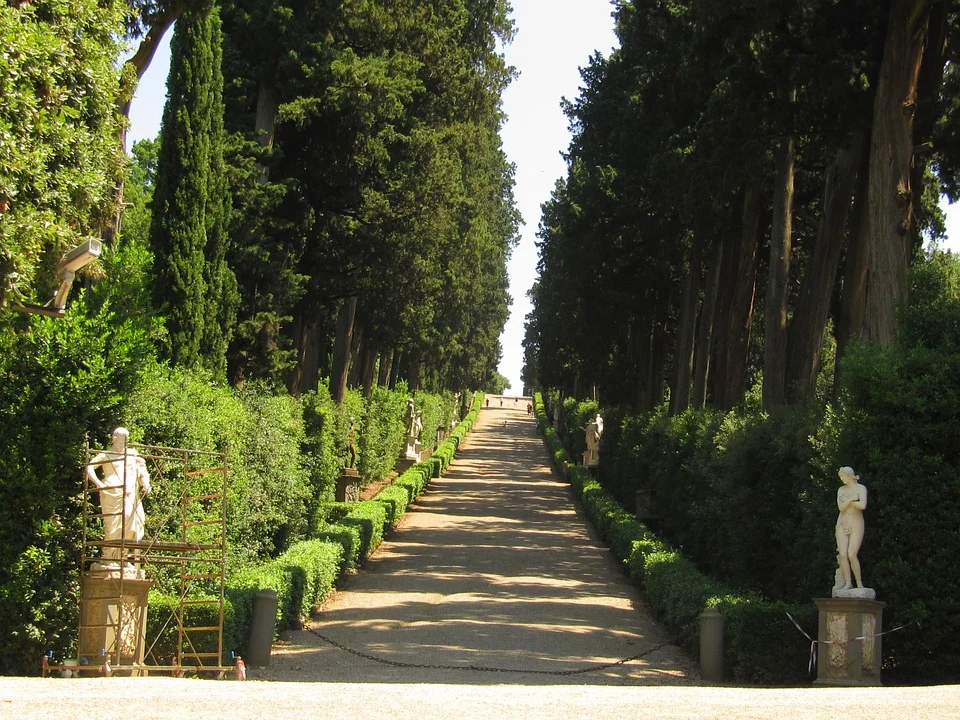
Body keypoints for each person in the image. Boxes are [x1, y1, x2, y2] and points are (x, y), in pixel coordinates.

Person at [85, 428, 151, 568]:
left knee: (130, 524)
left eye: (126, 439)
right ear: (114, 438)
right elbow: (89, 467)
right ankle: (108, 558)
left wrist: (145, 483)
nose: (123, 442)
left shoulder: (133, 454)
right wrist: (99, 485)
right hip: (112, 493)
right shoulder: (106, 454)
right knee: (113, 526)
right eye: (121, 438)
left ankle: (122, 556)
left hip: (130, 494)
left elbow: (142, 470)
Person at [835, 466, 867, 590]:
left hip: (856, 522)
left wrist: (848, 501)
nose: (842, 479)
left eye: (843, 476)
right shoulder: (841, 490)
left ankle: (859, 582)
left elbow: (862, 505)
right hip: (843, 522)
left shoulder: (861, 488)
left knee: (851, 553)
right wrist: (852, 499)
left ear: (849, 476)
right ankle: (848, 582)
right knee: (843, 554)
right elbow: (841, 508)